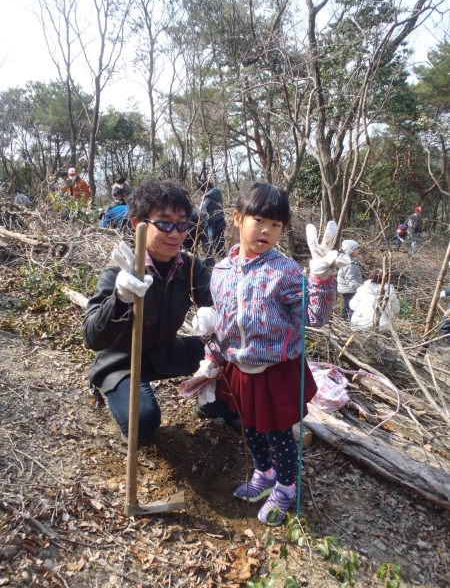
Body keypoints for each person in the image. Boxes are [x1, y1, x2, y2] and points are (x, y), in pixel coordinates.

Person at [192, 182, 349, 526]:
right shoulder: (219, 272)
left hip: (277, 369)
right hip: (238, 367)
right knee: (250, 426)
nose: (267, 230)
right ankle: (263, 474)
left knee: (279, 433)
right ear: (237, 218)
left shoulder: (286, 271)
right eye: (259, 219)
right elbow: (220, 326)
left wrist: (321, 280)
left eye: (276, 224)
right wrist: (211, 361)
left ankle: (286, 488)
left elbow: (314, 318)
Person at [82, 180, 240, 446]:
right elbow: (92, 338)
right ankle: (115, 395)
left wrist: (218, 311)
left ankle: (215, 405)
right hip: (121, 363)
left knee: (229, 355)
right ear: (137, 224)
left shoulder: (188, 267)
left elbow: (219, 306)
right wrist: (120, 299)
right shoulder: (120, 270)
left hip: (165, 352)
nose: (175, 233)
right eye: (165, 223)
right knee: (143, 422)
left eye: (182, 224)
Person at [198, 180, 226, 262]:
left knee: (211, 241)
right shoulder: (217, 191)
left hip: (213, 221)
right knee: (220, 241)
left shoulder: (208, 196)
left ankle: (211, 261)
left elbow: (201, 210)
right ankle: (223, 259)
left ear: (203, 188)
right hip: (221, 219)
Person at [337, 240, 362, 319]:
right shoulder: (349, 264)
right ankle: (350, 322)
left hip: (349, 288)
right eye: (356, 249)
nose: (358, 250)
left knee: (347, 304)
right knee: (352, 305)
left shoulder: (352, 260)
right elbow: (349, 278)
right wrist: (356, 287)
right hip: (349, 289)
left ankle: (343, 319)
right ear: (350, 251)